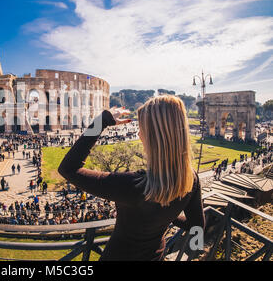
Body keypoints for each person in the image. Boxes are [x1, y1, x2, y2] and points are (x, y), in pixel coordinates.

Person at [57, 96, 205, 261]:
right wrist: (190, 251)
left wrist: (101, 122)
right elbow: (196, 227)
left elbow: (68, 168)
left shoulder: (132, 185)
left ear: (153, 137)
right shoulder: (191, 179)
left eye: (142, 129)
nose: (139, 134)